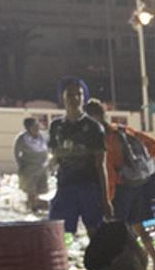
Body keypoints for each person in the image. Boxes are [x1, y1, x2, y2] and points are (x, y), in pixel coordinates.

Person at [84, 99, 155, 270]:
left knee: (119, 231)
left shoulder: (103, 139)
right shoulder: (124, 130)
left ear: (94, 118)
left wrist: (108, 195)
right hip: (136, 185)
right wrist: (139, 167)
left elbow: (106, 171)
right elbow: (153, 143)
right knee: (139, 226)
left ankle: (128, 267)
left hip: (119, 191)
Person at [48, 77, 111, 236]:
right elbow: (54, 157)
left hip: (88, 187)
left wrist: (105, 199)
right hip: (65, 187)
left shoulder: (93, 128)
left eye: (79, 94)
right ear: (62, 97)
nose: (75, 99)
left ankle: (97, 261)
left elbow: (100, 165)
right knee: (59, 233)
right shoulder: (56, 127)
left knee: (95, 233)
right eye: (70, 94)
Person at [13, 117, 49, 212]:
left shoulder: (42, 136)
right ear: (29, 128)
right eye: (34, 126)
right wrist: (21, 166)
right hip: (29, 169)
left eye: (37, 125)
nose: (37, 128)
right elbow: (16, 153)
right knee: (30, 190)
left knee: (39, 189)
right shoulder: (22, 138)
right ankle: (31, 207)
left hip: (41, 167)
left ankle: (35, 205)